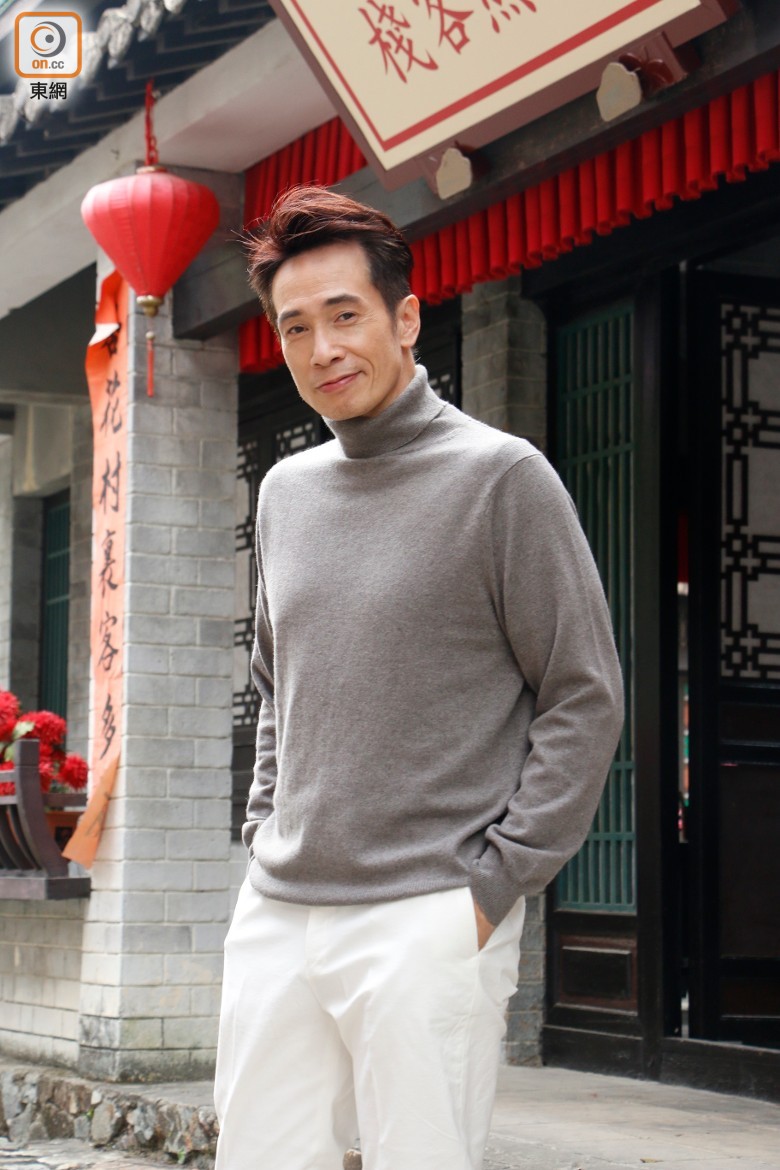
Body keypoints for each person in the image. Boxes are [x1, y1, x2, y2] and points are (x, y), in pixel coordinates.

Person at [213, 186, 624, 1170]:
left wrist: (492, 885)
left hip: (429, 908)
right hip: (281, 906)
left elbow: (582, 693)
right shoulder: (286, 493)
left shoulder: (502, 478)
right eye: (295, 327)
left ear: (405, 319)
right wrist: (263, 831)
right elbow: (276, 684)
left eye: (345, 315)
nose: (322, 349)